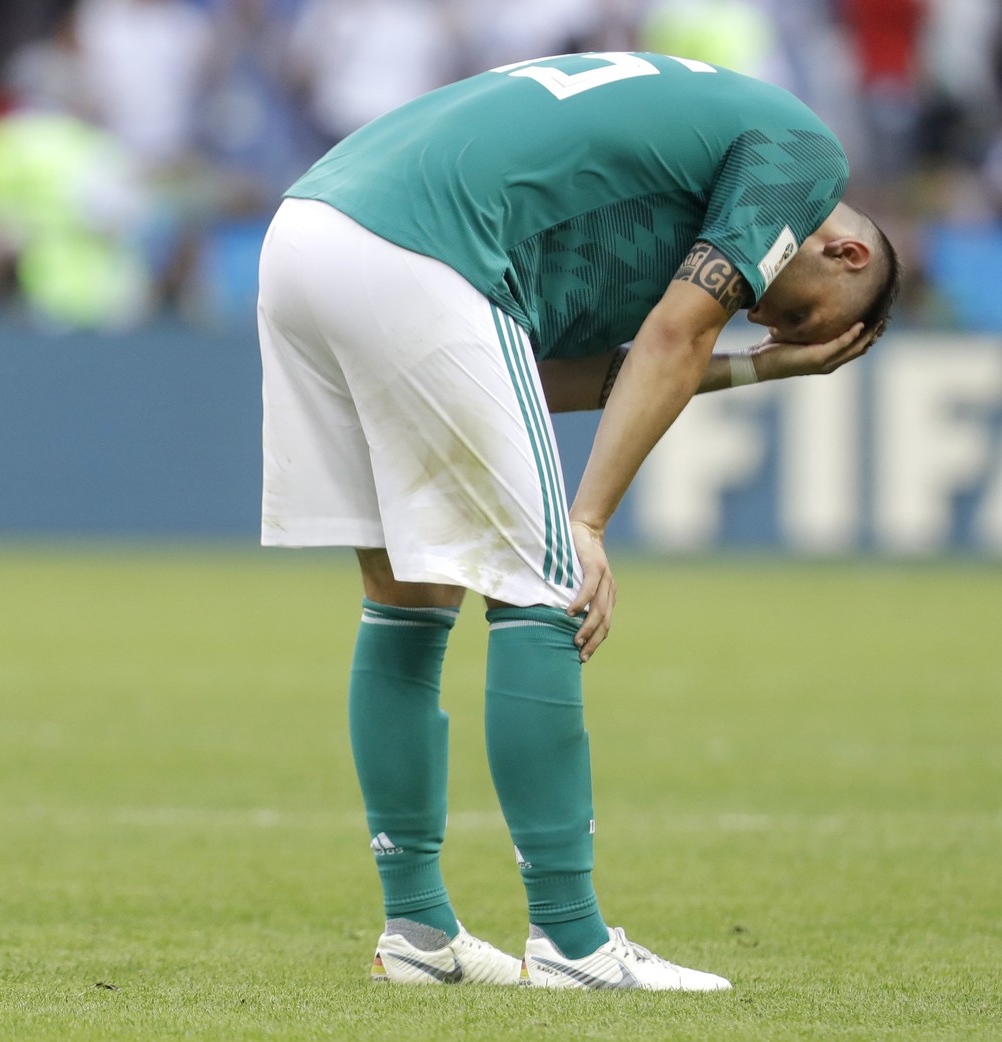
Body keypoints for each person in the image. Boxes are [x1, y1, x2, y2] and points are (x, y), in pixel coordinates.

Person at [257, 50, 899, 991]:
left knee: (408, 593)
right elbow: (679, 335)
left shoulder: (636, 209)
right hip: (422, 247)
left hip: (310, 235)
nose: (761, 318)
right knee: (547, 587)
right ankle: (571, 941)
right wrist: (586, 522)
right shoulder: (804, 157)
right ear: (845, 252)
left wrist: (762, 372)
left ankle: (419, 932)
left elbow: (530, 374)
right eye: (797, 316)